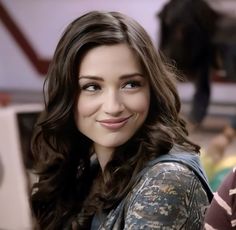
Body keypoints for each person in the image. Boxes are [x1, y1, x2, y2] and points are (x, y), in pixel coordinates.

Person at [30, 11, 212, 230]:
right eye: (92, 87)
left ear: (151, 90)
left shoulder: (167, 182)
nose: (113, 107)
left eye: (130, 84)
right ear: (67, 96)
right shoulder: (90, 173)